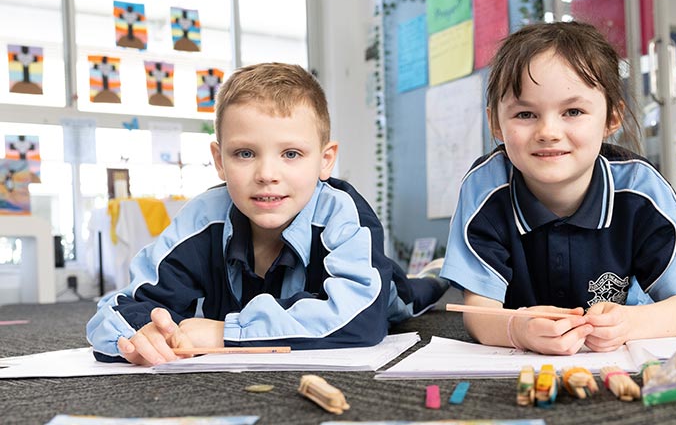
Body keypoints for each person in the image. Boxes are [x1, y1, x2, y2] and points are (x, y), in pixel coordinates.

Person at [87, 63, 449, 365]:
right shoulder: (202, 216)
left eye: (291, 154)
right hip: (264, 310)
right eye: (245, 153)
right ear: (219, 160)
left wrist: (223, 332)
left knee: (412, 295)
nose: (266, 174)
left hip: (383, 291)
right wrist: (136, 336)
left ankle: (434, 272)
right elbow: (117, 308)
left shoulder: (344, 211)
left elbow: (360, 320)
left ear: (325, 160)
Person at [440, 21, 676, 356]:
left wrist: (631, 323)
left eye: (573, 111)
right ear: (496, 123)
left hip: (615, 351)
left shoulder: (641, 188)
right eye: (525, 114)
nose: (548, 131)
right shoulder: (485, 187)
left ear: (611, 119)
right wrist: (518, 329)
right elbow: (477, 312)